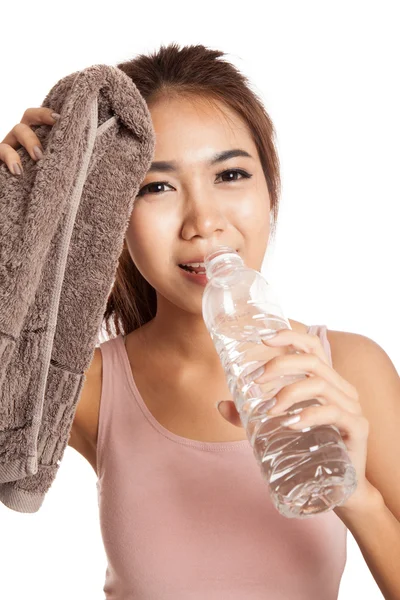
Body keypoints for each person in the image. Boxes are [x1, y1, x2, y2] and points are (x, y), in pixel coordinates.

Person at [2, 43, 398, 600]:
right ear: (111, 209)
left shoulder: (351, 371)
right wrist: (13, 210)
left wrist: (361, 501)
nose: (204, 222)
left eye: (231, 174)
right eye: (156, 186)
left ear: (270, 189)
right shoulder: (84, 387)